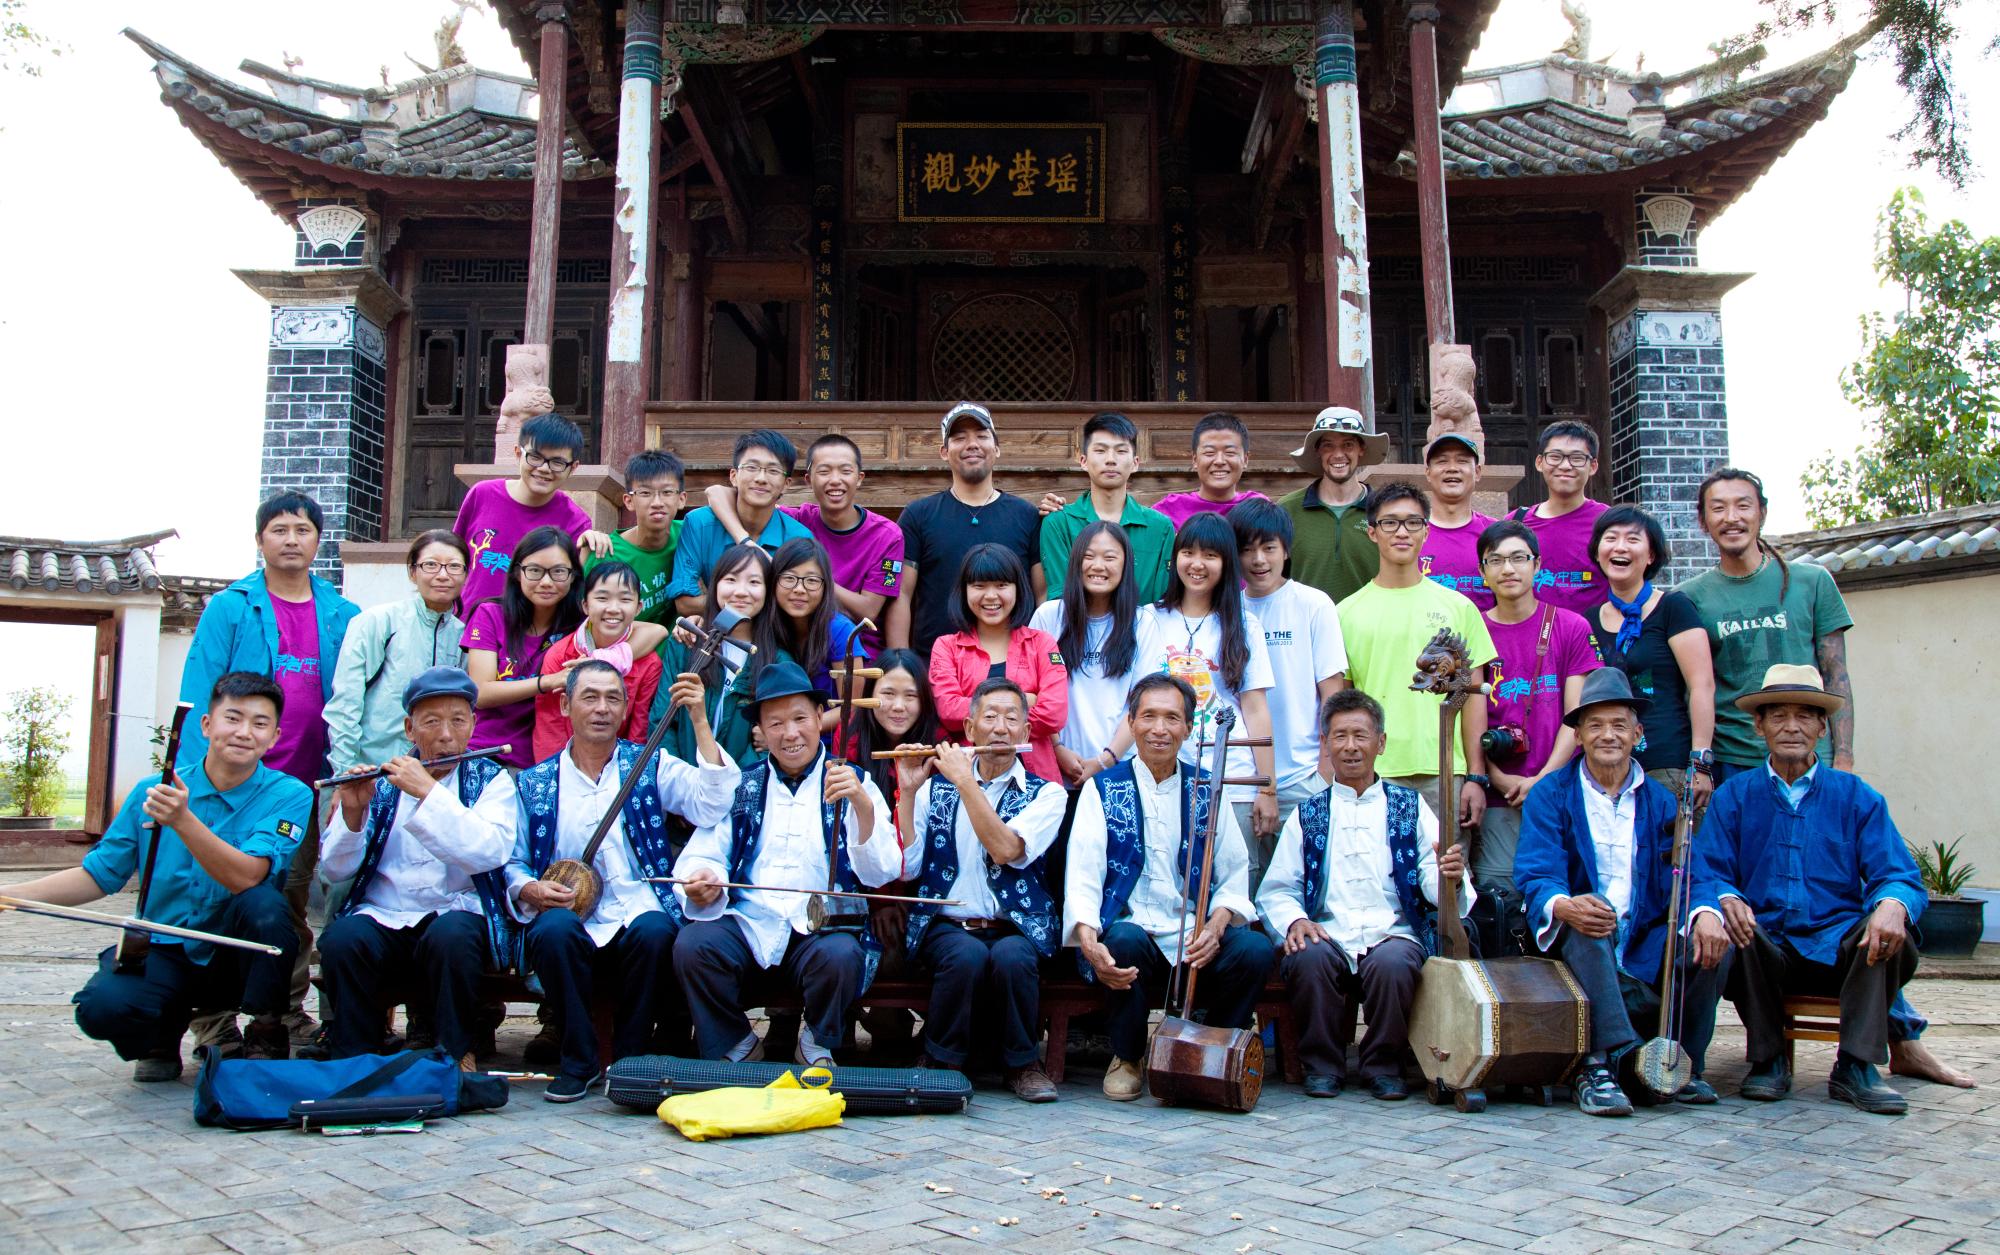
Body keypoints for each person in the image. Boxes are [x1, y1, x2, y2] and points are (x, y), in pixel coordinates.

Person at [1682, 470, 1959, 1087]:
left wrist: (1846, 759)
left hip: (1822, 776)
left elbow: (1835, 675)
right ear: (1703, 522)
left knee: (1876, 915)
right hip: (1732, 766)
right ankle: (1768, 1054)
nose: (1732, 517)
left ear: (1762, 512)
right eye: (1718, 508)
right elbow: (1694, 685)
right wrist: (1703, 767)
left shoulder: (1809, 582)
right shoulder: (1695, 597)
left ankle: (1868, 1058)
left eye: (1743, 506)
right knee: (1736, 901)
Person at [1, 673, 308, 1080]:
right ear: (206, 725)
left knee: (266, 905)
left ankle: (265, 1031)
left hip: (234, 957)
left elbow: (248, 875)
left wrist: (182, 821)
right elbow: (99, 875)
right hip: (164, 947)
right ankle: (159, 1032)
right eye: (232, 718)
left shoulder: (290, 794)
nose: (244, 732)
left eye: (259, 723)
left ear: (274, 737)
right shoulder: (152, 790)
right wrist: (9, 895)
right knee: (101, 1009)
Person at [1690, 665, 1927, 1115]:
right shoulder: (1734, 797)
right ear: (1759, 726)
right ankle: (1768, 1058)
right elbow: (1705, 870)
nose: (1792, 727)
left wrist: (1892, 903)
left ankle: (1856, 1066)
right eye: (1777, 715)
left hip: (1838, 951)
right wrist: (1725, 896)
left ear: (1823, 726)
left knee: (1887, 933)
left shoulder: (1858, 796)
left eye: (1805, 715)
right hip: (1767, 950)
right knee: (1737, 928)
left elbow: (1899, 874)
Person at [506, 660, 739, 1100]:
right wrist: (530, 889)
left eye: (613, 698)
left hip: (635, 908)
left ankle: (631, 1060)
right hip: (570, 916)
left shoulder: (650, 763)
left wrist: (699, 721)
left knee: (655, 930)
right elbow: (514, 862)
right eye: (589, 697)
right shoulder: (537, 783)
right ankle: (578, 1060)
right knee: (552, 931)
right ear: (564, 704)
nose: (602, 708)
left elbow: (710, 804)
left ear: (626, 707)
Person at [175, 492, 357, 1053]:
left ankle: (284, 1011)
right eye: (278, 529)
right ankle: (212, 1020)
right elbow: (196, 692)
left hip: (304, 786)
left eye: (302, 530)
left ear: (318, 541)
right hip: (232, 785)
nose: (291, 539)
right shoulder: (231, 607)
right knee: (219, 895)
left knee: (292, 903)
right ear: (260, 540)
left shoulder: (340, 613)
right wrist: (190, 778)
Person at [1512, 668, 1728, 1116]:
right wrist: (1565, 905)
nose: (1607, 735)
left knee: (1708, 939)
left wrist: (1706, 910)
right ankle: (1600, 1067)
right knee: (1593, 917)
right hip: (1578, 940)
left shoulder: (1661, 801)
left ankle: (1677, 1065)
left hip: (1641, 939)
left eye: (1618, 725)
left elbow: (1690, 874)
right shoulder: (1551, 794)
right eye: (1594, 725)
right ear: (1577, 735)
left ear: (1637, 734)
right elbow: (1536, 871)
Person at [672, 661, 901, 1067]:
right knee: (694, 946)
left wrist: (863, 806)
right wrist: (706, 877)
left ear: (819, 717)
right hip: (751, 921)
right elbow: (708, 850)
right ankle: (738, 1044)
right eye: (775, 723)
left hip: (817, 928)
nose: (790, 733)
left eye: (800, 718)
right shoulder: (744, 783)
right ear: (759, 730)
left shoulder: (852, 781)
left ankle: (816, 1040)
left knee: (841, 955)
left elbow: (881, 872)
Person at [1063, 675, 1275, 1101]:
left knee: (1254, 951)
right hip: (1136, 938)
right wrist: (1087, 938)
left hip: (1194, 940)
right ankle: (1127, 1055)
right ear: (1131, 722)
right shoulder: (1104, 788)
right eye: (1149, 717)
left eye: (1172, 718)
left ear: (1188, 727)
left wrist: (1216, 927)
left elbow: (1234, 873)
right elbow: (1083, 871)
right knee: (1120, 938)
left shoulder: (1206, 787)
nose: (1160, 729)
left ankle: (1207, 1047)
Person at [1258, 688, 1470, 1100]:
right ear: (1325, 744)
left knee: (1394, 963)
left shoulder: (1410, 807)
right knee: (1308, 955)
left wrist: (1450, 878)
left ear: (1381, 742)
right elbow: (1278, 887)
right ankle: (1322, 1065)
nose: (1351, 747)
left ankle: (1383, 1065)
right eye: (1339, 736)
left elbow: (1433, 876)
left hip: (1392, 931)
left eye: (1361, 735)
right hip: (1331, 932)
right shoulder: (1308, 812)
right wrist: (1296, 920)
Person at [317, 667, 518, 1069]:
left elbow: (487, 851)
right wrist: (354, 811)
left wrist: (427, 792)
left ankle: (456, 1052)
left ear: (473, 725)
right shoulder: (383, 780)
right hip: (387, 913)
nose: (446, 735)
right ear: (410, 729)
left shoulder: (492, 780)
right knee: (342, 939)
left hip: (455, 911)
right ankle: (353, 1058)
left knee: (452, 935)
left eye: (458, 721)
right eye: (431, 722)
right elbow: (335, 871)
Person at [897, 678, 1070, 1102]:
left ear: (1027, 733)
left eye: (1012, 718)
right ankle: (942, 1061)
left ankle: (1023, 1064)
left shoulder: (1046, 794)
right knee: (965, 954)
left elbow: (1008, 849)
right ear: (969, 730)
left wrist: (965, 784)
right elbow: (908, 867)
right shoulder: (935, 788)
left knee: (1013, 958)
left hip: (1015, 922)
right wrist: (907, 793)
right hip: (947, 922)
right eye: (990, 716)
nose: (1000, 727)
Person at [1335, 483, 1496, 828]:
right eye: (1390, 523)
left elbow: (1472, 697)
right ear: (1372, 532)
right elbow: (1341, 703)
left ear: (1426, 531)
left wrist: (1475, 775)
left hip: (1444, 770)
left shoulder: (1458, 608)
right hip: (1373, 770)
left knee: (1445, 876)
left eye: (1413, 522)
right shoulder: (1346, 612)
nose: (1402, 532)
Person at [1472, 520, 1599, 897]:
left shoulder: (1570, 627)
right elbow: (1465, 714)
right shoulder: (1472, 629)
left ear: (1537, 564)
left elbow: (1576, 717)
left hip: (1560, 786)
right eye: (1495, 560)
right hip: (1498, 794)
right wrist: (1492, 776)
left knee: (1566, 889)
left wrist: (1543, 778)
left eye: (1518, 558)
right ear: (1482, 571)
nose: (1508, 569)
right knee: (1502, 895)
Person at [1142, 513, 1282, 851]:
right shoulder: (1149, 619)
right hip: (1164, 778)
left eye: (1211, 555)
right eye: (1188, 552)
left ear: (1226, 563)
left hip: (1232, 779)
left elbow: (1255, 709)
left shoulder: (1244, 624)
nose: (1197, 564)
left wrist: (1267, 789)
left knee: (1235, 884)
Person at [1230, 499, 1348, 876]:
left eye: (1269, 548)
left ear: (1286, 550)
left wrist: (1325, 770)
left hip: (1303, 776)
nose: (1258, 560)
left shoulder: (1313, 605)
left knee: (1310, 881)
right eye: (1246, 550)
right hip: (1244, 782)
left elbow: (1333, 692)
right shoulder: (1229, 610)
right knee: (1249, 886)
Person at [702, 433, 905, 652]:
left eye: (845, 471)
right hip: (794, 645)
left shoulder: (888, 535)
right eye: (824, 471)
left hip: (859, 652)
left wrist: (816, 581)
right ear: (808, 479)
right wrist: (745, 539)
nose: (835, 480)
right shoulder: (797, 520)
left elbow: (869, 610)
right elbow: (715, 492)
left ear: (859, 478)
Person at [889, 402, 1044, 657]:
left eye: (982, 436)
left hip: (1014, 667)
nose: (972, 444)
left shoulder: (1027, 515)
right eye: (959, 438)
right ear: (943, 451)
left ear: (997, 448)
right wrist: (901, 664)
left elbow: (1042, 595)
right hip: (937, 668)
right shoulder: (918, 515)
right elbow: (901, 595)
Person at [1587, 505, 1716, 808]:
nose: (1620, 547)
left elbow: (1702, 686)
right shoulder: (1589, 620)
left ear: (1651, 555)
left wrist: (1700, 760)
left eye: (1633, 539)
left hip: (1668, 764)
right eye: (1611, 538)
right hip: (1604, 767)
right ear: (1597, 552)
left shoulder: (1673, 608)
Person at [1028, 522, 1160, 788]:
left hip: (1120, 773)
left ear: (1126, 565)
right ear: (1076, 563)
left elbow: (1144, 702)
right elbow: (1032, 693)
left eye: (1110, 557)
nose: (1098, 566)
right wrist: (1058, 749)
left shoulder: (1143, 622)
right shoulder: (1049, 616)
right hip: (1053, 774)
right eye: (1088, 557)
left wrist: (1106, 759)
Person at [326, 530, 470, 775]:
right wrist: (345, 773)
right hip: (371, 771)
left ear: (466, 574)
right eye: (431, 565)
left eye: (454, 566)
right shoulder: (378, 622)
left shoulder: (464, 636)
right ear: (413, 572)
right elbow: (344, 705)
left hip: (434, 776)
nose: (443, 575)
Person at [928, 543, 1069, 786]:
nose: (991, 596)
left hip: (1036, 778)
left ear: (1018, 589)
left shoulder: (1042, 643)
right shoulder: (946, 646)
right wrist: (1025, 700)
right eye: (979, 586)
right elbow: (949, 711)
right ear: (964, 591)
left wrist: (980, 712)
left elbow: (1054, 714)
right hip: (968, 778)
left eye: (1002, 585)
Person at [454, 413, 611, 614]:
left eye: (557, 462)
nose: (544, 469)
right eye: (535, 457)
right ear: (518, 453)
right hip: (465, 627)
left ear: (573, 468)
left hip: (527, 638)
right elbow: (455, 559)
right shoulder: (482, 495)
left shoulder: (575, 522)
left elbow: (570, 589)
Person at [649, 544, 789, 768]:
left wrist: (734, 789)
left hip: (745, 792)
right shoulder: (686, 643)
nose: (741, 591)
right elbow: (661, 721)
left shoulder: (778, 662)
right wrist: (679, 781)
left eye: (754, 582)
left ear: (768, 591)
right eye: (731, 580)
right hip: (680, 787)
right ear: (714, 586)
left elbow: (771, 743)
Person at [463, 527, 586, 771]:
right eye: (535, 571)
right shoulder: (490, 614)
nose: (546, 582)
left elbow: (651, 632)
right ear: (518, 573)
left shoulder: (581, 625)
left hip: (544, 761)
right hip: (484, 753)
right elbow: (481, 692)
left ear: (573, 577)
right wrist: (547, 682)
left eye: (559, 572)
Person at [532, 561, 669, 762]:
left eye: (625, 599)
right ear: (585, 605)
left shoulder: (649, 663)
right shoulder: (560, 655)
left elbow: (638, 729)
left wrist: (626, 777)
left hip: (618, 767)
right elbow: (550, 726)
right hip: (564, 764)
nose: (613, 609)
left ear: (639, 607)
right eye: (602, 598)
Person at [669, 429, 813, 617]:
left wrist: (721, 600)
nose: (761, 478)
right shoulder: (700, 524)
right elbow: (685, 603)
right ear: (733, 476)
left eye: (773, 470)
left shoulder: (798, 538)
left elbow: (797, 605)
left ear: (787, 484)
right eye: (752, 468)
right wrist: (753, 601)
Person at [1038, 412, 1174, 604]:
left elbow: (1162, 599)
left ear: (1135, 463)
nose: (1111, 459)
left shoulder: (1160, 527)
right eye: (1100, 451)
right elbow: (1061, 598)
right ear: (1083, 461)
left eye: (1121, 451)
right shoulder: (1059, 523)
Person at [1276, 406, 1384, 605]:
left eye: (1348, 445)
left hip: (1371, 631)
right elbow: (1276, 578)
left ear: (1362, 449)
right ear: (1317, 451)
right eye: (1328, 446)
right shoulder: (1288, 510)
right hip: (1306, 630)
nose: (1338, 454)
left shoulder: (1384, 511)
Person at [1508, 421, 1609, 618]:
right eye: (1555, 457)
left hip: (1590, 643)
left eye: (1577, 458)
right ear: (1539, 462)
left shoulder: (1608, 523)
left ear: (1593, 466)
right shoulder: (1516, 523)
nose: (1565, 465)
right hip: (1530, 642)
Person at [585, 449, 686, 630]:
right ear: (629, 501)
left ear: (681, 499)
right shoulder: (605, 553)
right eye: (645, 493)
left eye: (667, 492)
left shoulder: (690, 535)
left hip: (676, 652)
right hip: (621, 652)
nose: (657, 502)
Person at [767, 537, 868, 698]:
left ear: (826, 587)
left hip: (829, 723)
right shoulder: (765, 625)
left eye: (812, 580)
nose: (799, 589)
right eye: (789, 578)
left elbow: (852, 706)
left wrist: (803, 725)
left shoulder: (841, 630)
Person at [1152, 411, 1268, 529]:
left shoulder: (1259, 508)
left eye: (1230, 453)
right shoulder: (1170, 510)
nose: (1219, 461)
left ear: (1245, 459)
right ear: (1195, 459)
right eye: (1209, 453)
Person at [1419, 433, 1496, 611]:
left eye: (1462, 461)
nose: (1452, 468)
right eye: (1442, 461)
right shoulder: (1409, 533)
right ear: (1428, 473)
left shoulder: (1495, 534)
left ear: (1477, 472)